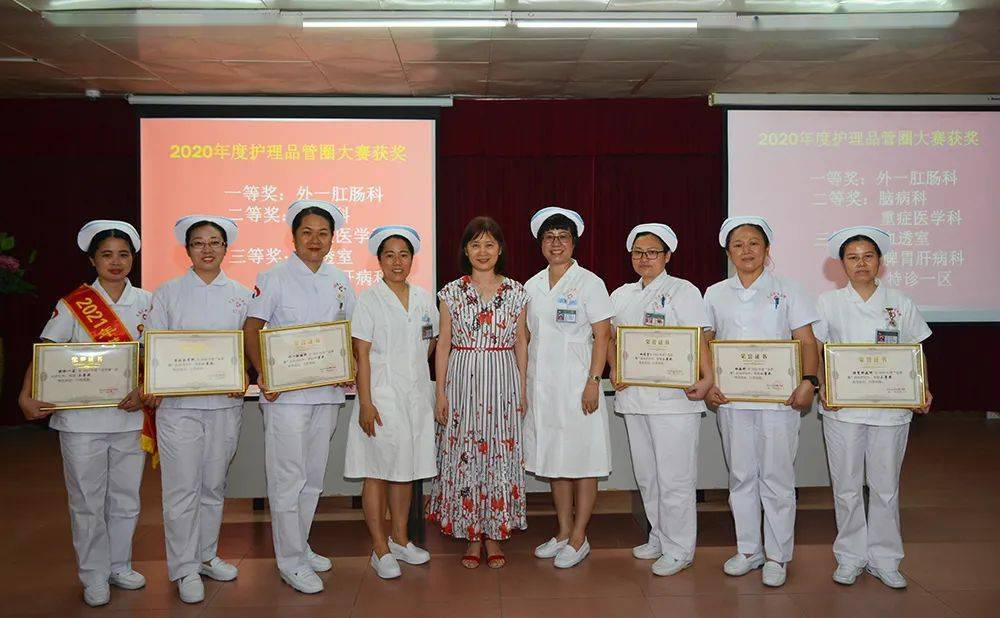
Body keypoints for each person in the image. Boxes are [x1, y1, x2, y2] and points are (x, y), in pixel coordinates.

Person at [18, 220, 151, 607]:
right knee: (87, 498)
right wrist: (26, 395)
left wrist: (144, 390)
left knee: (126, 496)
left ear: (133, 259)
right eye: (107, 255)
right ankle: (94, 574)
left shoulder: (148, 301)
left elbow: (157, 356)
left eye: (123, 254)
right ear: (92, 260)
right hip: (81, 422)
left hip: (129, 416)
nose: (116, 262)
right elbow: (46, 351)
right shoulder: (74, 303)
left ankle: (120, 564)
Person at [243, 200, 356, 594]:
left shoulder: (340, 279)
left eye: (323, 233)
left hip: (325, 395)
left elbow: (349, 332)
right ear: (293, 236)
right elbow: (252, 327)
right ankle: (289, 561)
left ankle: (300, 546)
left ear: (332, 239)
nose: (315, 239)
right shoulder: (273, 277)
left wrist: (350, 370)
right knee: (287, 478)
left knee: (311, 478)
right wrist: (262, 376)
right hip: (286, 398)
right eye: (307, 232)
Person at [704, 215, 820, 588]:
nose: (746, 251)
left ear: (767, 250)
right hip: (733, 400)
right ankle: (749, 549)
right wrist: (708, 382)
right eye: (738, 245)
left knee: (777, 476)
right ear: (728, 252)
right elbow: (705, 342)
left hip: (780, 401)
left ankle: (777, 555)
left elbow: (806, 341)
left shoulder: (790, 290)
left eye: (754, 243)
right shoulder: (715, 292)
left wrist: (809, 380)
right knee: (741, 476)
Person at [815, 226, 933, 589]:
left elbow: (916, 351)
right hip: (843, 410)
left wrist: (922, 389)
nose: (860, 263)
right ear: (842, 265)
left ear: (880, 262)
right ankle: (850, 556)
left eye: (868, 256)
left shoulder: (901, 301)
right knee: (847, 484)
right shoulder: (828, 303)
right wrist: (823, 388)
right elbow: (818, 350)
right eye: (853, 257)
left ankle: (886, 558)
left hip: (891, 410)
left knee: (885, 486)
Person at [144, 215, 251, 603]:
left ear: (226, 248)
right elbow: (153, 346)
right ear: (186, 250)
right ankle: (184, 568)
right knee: (181, 488)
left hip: (224, 404)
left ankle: (206, 555)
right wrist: (153, 382)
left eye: (215, 242)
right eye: (198, 243)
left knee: (213, 485)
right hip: (179, 407)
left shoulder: (242, 294)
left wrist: (247, 372)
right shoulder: (168, 293)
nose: (207, 249)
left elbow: (249, 347)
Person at [607, 223, 714, 577]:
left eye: (653, 252)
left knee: (675, 477)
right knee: (648, 475)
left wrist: (706, 376)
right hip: (634, 397)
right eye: (638, 252)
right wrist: (613, 367)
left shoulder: (684, 291)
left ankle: (680, 547)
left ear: (667, 255)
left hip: (674, 399)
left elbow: (699, 338)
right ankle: (659, 534)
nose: (644, 258)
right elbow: (609, 337)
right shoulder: (621, 294)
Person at [427, 216, 529, 570]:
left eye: (489, 244)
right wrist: (440, 393)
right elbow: (442, 345)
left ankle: (496, 534)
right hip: (462, 381)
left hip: (502, 380)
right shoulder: (451, 292)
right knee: (465, 454)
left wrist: (523, 388)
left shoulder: (517, 291)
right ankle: (472, 535)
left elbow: (521, 343)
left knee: (500, 454)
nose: (482, 252)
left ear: (500, 249)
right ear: (465, 250)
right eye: (475, 245)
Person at [344, 225, 438, 580]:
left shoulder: (424, 297)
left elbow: (428, 343)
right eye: (389, 255)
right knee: (377, 471)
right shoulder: (369, 299)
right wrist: (366, 403)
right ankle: (380, 547)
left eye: (404, 255)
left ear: (412, 259)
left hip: (414, 397)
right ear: (379, 261)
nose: (397, 262)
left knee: (406, 470)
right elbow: (362, 355)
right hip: (380, 397)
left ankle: (400, 539)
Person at [524, 206, 614, 569]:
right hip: (542, 387)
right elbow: (527, 337)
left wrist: (594, 381)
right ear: (540, 244)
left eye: (563, 237)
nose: (556, 243)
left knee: (583, 460)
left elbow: (603, 334)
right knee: (555, 461)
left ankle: (580, 537)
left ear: (574, 243)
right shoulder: (530, 286)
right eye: (549, 237)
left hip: (579, 385)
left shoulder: (590, 283)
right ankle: (562, 531)